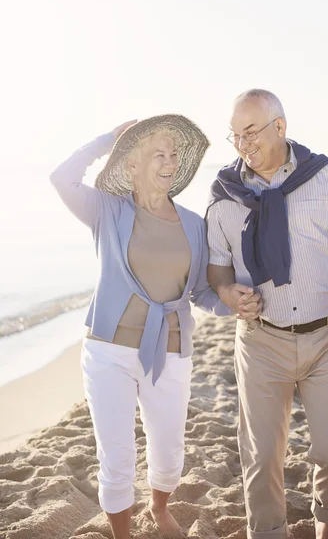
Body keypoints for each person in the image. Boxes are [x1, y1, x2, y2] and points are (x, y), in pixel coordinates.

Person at [50, 114, 261, 539]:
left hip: (171, 350)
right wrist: (108, 138)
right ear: (131, 164)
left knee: (168, 449)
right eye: (157, 155)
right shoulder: (106, 210)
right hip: (107, 350)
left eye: (174, 154)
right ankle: (122, 533)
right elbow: (62, 177)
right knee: (118, 455)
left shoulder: (193, 224)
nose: (168, 162)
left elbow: (202, 294)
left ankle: (159, 506)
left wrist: (233, 301)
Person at [206, 90, 328, 539]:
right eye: (235, 135)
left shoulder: (327, 176)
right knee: (262, 457)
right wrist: (229, 295)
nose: (243, 143)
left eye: (251, 131)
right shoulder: (225, 191)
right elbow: (217, 266)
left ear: (279, 128)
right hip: (261, 341)